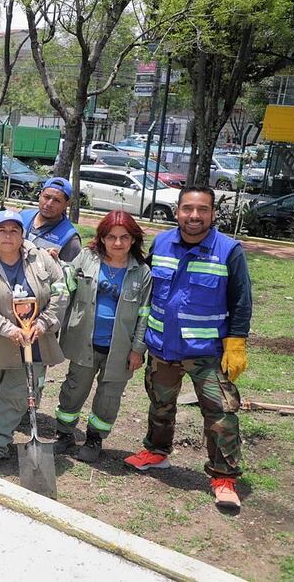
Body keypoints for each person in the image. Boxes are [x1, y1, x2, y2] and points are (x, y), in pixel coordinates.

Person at [125, 186, 252, 510]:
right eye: (188, 209)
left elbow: (240, 301)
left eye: (202, 210)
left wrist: (236, 343)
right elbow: (146, 285)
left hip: (206, 352)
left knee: (222, 414)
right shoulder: (163, 242)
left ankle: (223, 477)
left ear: (212, 213)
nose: (194, 216)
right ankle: (157, 452)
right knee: (160, 404)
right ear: (178, 211)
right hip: (162, 348)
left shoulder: (228, 251)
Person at [0, 209, 68, 474]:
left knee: (14, 396)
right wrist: (7, 329)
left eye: (14, 230)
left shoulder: (42, 260)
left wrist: (44, 323)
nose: (8, 235)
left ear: (23, 234)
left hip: (34, 343)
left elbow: (61, 292)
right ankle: (2, 427)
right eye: (2, 230)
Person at [54, 211, 152, 462]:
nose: (117, 243)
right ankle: (64, 434)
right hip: (84, 343)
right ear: (102, 238)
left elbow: (144, 315)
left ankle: (95, 438)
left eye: (124, 237)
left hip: (119, 350)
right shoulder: (87, 259)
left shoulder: (141, 272)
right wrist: (54, 265)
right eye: (111, 237)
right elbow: (65, 285)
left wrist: (138, 349)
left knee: (109, 398)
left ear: (133, 240)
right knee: (74, 389)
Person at [20, 177, 81, 262]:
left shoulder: (69, 238)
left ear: (66, 204)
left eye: (56, 200)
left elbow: (71, 273)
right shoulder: (22, 217)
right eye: (47, 197)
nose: (49, 204)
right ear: (40, 195)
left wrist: (55, 263)